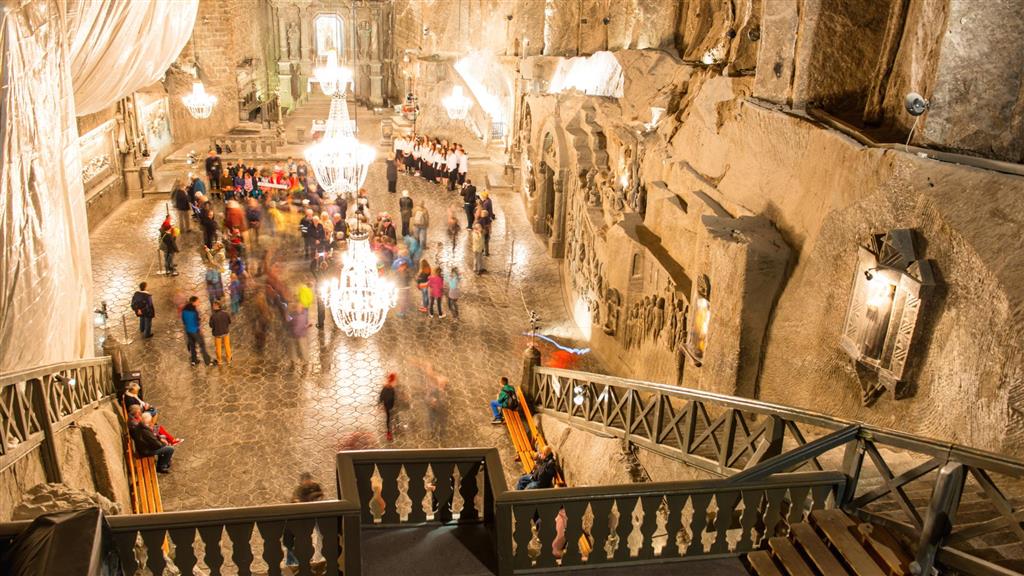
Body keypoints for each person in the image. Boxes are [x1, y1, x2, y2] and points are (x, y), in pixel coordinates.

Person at [284, 472, 325, 566]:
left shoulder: (315, 486)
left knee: (319, 534)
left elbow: (320, 495)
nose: (306, 481)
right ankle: (293, 560)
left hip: (316, 513)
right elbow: (295, 500)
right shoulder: (299, 489)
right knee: (293, 536)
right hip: (303, 516)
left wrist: (313, 498)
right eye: (305, 480)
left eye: (308, 479)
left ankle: (317, 557)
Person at [181, 296, 213, 366]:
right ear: (193, 302)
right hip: (195, 331)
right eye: (198, 301)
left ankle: (194, 360)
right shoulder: (194, 311)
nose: (199, 303)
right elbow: (197, 322)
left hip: (188, 331)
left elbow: (184, 321)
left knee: (192, 346)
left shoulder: (184, 310)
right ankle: (208, 362)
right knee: (202, 345)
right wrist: (200, 329)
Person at [209, 300, 232, 365]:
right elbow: (229, 322)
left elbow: (211, 325)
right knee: (227, 346)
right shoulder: (226, 313)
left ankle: (219, 361)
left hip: (217, 334)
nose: (213, 306)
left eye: (214, 305)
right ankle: (228, 359)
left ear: (217, 306)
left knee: (218, 348)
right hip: (225, 332)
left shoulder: (213, 316)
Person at [378, 372, 398, 441]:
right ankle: (390, 432)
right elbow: (382, 396)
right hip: (390, 404)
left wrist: (380, 403)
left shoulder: (388, 387)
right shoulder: (389, 387)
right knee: (390, 418)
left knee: (390, 418)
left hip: (389, 404)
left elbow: (381, 396)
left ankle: (390, 431)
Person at [477, 191, 494, 256]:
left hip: (484, 230)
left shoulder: (482, 219)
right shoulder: (489, 200)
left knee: (483, 240)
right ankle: (486, 252)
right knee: (486, 241)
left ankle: (483, 251)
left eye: (482, 196)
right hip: (487, 229)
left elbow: (484, 209)